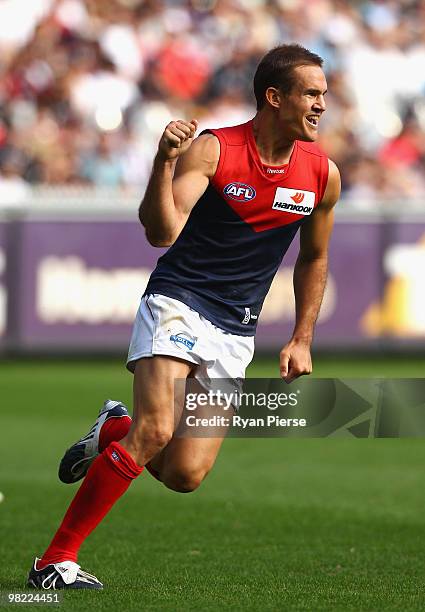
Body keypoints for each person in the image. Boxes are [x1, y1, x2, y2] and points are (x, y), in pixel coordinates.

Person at [27, 43, 340, 590]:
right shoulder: (214, 150)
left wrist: (302, 336)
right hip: (179, 299)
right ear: (274, 97)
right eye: (311, 94)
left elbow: (314, 257)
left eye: (324, 96)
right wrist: (165, 160)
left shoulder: (322, 174)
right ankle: (55, 560)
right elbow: (161, 232)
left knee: (185, 474)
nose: (321, 105)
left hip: (235, 328)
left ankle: (111, 429)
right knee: (155, 431)